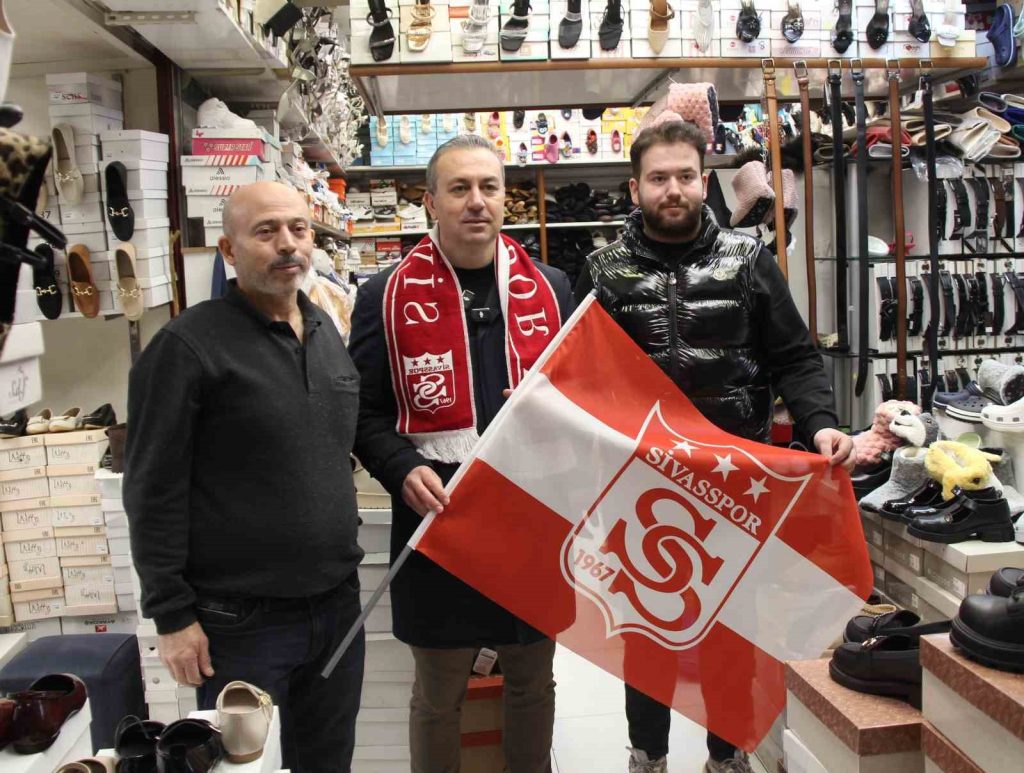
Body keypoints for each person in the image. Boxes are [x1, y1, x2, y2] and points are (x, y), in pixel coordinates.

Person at [575, 119, 855, 773]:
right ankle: (648, 754)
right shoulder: (601, 273)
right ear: (635, 188)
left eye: (684, 175)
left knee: (733, 629)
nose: (672, 189)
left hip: (734, 484)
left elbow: (796, 358)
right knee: (648, 632)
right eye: (658, 178)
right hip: (640, 487)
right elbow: (577, 375)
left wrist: (820, 423)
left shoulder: (750, 261)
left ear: (705, 181)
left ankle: (726, 755)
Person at [348, 134, 573, 773]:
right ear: (431, 202)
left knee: (533, 680)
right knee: (438, 692)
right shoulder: (384, 296)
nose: (477, 201)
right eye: (459, 188)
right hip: (437, 522)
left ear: (505, 198)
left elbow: (581, 397)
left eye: (489, 187)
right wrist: (401, 466)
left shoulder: (552, 288)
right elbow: (360, 412)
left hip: (531, 520)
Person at [124, 181, 365, 773]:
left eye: (298, 229)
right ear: (229, 250)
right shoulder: (187, 346)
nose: (287, 244)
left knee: (329, 761)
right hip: (242, 623)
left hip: (336, 606)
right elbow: (152, 488)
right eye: (266, 231)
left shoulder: (324, 329)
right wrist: (172, 615)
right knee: (246, 767)